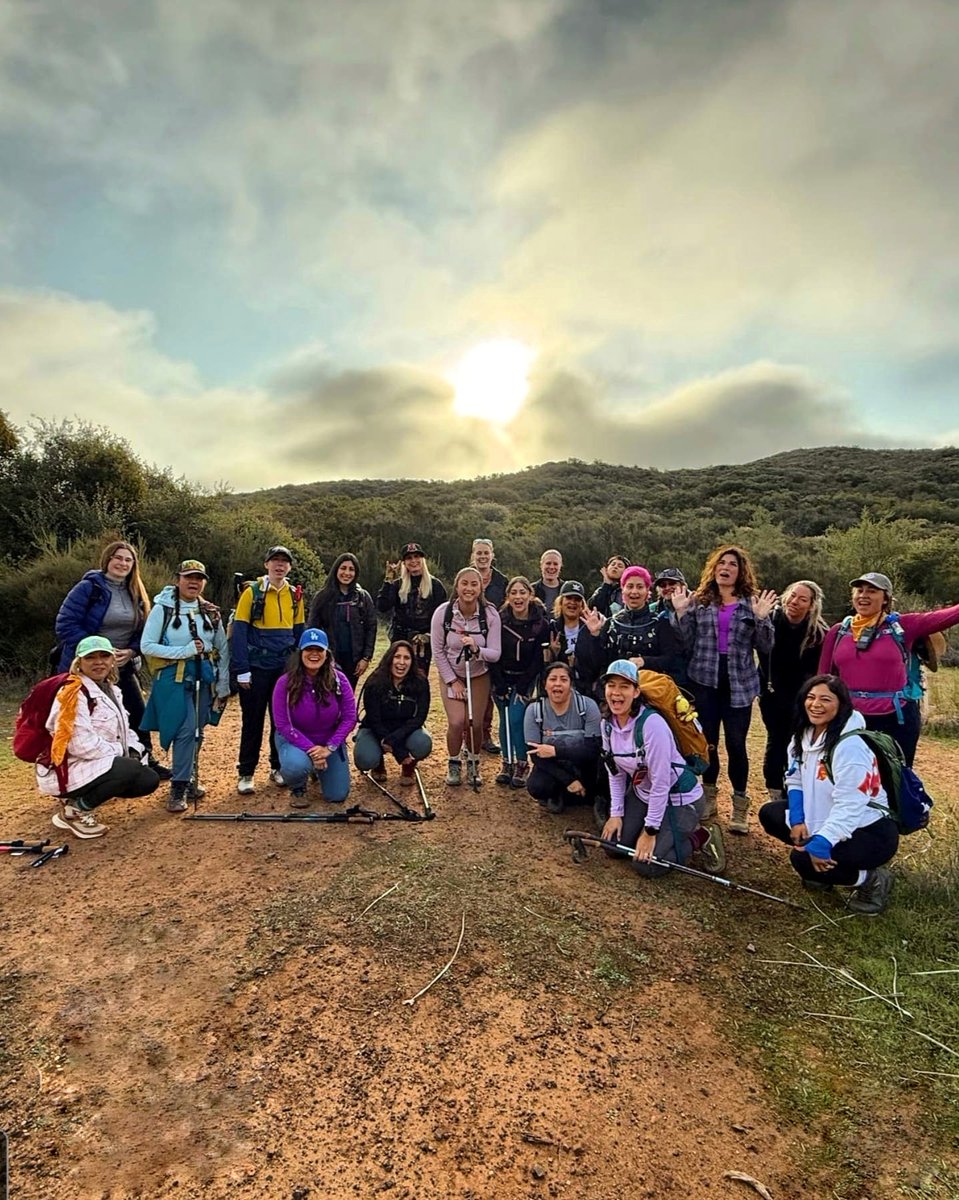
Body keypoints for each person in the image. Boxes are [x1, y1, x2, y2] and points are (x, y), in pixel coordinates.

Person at [758, 674, 899, 914]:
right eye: (810, 697)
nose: (816, 705)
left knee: (801, 859)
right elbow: (795, 778)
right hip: (823, 817)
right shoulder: (802, 736)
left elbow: (850, 806)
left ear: (841, 705)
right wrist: (797, 820)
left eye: (826, 699)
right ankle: (824, 868)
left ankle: (870, 879)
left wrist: (822, 843)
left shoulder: (851, 748)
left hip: (868, 830)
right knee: (770, 814)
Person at [671, 546, 777, 835]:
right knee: (708, 744)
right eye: (721, 563)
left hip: (739, 684)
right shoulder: (699, 601)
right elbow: (685, 643)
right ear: (713, 569)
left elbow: (765, 646)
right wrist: (681, 613)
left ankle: (740, 805)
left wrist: (762, 618)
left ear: (741, 571)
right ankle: (708, 796)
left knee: (736, 744)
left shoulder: (750, 604)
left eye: (732, 564)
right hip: (704, 681)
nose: (726, 568)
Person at [54, 540, 171, 779]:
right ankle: (77, 773)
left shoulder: (136, 591)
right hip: (86, 668)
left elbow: (144, 631)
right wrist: (100, 651)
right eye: (118, 558)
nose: (123, 563)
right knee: (84, 720)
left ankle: (144, 759)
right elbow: (65, 624)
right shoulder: (88, 588)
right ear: (107, 560)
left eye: (128, 560)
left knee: (137, 713)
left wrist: (132, 651)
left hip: (123, 666)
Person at [598, 659, 724, 878]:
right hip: (643, 794)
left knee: (646, 865)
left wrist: (650, 831)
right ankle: (650, 831)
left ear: (636, 692)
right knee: (612, 846)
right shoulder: (607, 724)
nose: (616, 693)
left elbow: (661, 782)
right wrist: (616, 814)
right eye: (611, 685)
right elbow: (615, 772)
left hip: (680, 799)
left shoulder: (652, 724)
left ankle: (701, 836)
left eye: (624, 686)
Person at [818, 571, 959, 767]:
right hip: (850, 717)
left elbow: (948, 616)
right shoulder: (839, 632)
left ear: (885, 599)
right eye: (859, 590)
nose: (863, 595)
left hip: (897, 717)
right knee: (851, 776)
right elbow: (823, 679)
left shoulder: (903, 626)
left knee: (896, 779)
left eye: (872, 591)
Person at [38, 636, 160, 838]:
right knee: (129, 769)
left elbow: (125, 730)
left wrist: (133, 751)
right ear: (79, 663)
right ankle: (74, 811)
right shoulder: (73, 693)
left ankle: (80, 797)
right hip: (67, 769)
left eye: (104, 656)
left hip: (95, 764)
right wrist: (121, 757)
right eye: (90, 658)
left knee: (148, 779)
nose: (99, 662)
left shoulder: (111, 689)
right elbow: (81, 745)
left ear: (113, 660)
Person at [140, 560, 231, 812]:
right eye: (189, 577)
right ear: (177, 579)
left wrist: (223, 684)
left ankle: (188, 777)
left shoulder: (210, 611)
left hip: (204, 678)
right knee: (186, 730)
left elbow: (222, 648)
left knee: (198, 730)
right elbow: (146, 645)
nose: (194, 582)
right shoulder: (163, 609)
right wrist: (186, 651)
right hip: (174, 679)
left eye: (199, 578)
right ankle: (178, 786)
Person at [232, 546, 306, 795]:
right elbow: (240, 632)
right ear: (266, 565)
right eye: (275, 561)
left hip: (283, 669)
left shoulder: (295, 595)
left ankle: (278, 767)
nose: (279, 566)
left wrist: (300, 667)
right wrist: (241, 669)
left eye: (284, 562)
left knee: (281, 721)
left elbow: (298, 634)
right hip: (256, 667)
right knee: (252, 721)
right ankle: (246, 772)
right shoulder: (251, 592)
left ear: (290, 568)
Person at [430, 566, 502, 787]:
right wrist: (452, 681)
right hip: (451, 673)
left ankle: (473, 761)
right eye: (465, 583)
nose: (469, 588)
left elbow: (495, 653)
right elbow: (438, 650)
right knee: (457, 721)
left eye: (474, 584)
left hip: (478, 674)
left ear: (481, 588)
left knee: (475, 723)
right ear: (457, 586)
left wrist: (477, 650)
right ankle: (453, 763)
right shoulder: (443, 613)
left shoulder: (490, 615)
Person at [759, 580, 828, 802]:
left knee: (799, 743)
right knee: (777, 740)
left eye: (802, 599)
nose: (795, 602)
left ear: (811, 605)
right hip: (771, 694)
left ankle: (797, 790)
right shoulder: (769, 621)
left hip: (803, 699)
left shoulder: (818, 634)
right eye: (792, 595)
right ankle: (775, 791)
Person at [272, 628, 357, 807]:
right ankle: (298, 787)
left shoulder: (339, 680)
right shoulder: (284, 682)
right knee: (296, 766)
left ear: (327, 654)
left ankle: (317, 769)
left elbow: (350, 717)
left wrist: (330, 747)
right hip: (295, 740)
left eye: (319, 650)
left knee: (337, 795)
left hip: (328, 742)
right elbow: (282, 724)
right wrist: (313, 751)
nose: (314, 654)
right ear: (300, 652)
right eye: (309, 649)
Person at [577, 565, 686, 696]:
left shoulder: (660, 624)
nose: (634, 592)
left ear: (647, 591)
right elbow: (598, 663)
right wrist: (595, 635)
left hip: (650, 692)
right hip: (615, 694)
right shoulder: (611, 623)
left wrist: (645, 661)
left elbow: (670, 659)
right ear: (623, 590)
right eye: (630, 586)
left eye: (640, 587)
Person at [490, 577, 550, 788]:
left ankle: (522, 763)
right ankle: (507, 762)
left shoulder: (540, 623)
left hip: (525, 679)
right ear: (508, 597)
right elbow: (493, 653)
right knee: (504, 719)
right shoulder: (499, 620)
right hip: (501, 678)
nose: (518, 597)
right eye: (513, 593)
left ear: (530, 595)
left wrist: (525, 684)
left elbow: (537, 659)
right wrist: (499, 682)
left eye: (522, 592)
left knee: (517, 719)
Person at [525, 660, 602, 813]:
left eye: (564, 679)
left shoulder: (588, 707)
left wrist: (556, 751)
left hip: (585, 765)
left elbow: (593, 750)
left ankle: (599, 800)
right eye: (553, 679)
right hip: (555, 767)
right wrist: (569, 780)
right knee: (537, 786)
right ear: (545, 685)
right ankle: (558, 793)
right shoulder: (534, 711)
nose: (558, 684)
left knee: (602, 777)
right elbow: (535, 755)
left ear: (571, 684)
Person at [354, 640, 432, 785]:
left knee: (423, 743)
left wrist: (394, 740)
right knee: (365, 759)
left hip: (406, 729)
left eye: (406, 658)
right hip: (375, 730)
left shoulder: (420, 681)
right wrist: (398, 751)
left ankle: (409, 766)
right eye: (397, 657)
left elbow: (420, 717)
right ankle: (378, 763)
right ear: (389, 659)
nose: (401, 662)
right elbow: (373, 719)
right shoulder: (374, 682)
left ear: (412, 661)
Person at [308, 552, 377, 693]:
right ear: (336, 570)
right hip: (328, 658)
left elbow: (371, 627)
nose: (347, 573)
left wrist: (366, 657)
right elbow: (312, 628)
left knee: (348, 694)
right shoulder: (322, 597)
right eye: (343, 568)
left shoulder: (363, 597)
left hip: (354, 659)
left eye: (351, 569)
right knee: (328, 695)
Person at [375, 543, 447, 670]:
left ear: (423, 560)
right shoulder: (398, 585)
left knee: (419, 679)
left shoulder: (435, 586)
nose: (413, 561)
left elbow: (442, 616)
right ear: (404, 562)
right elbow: (382, 606)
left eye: (417, 556)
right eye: (409, 558)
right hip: (400, 640)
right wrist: (388, 581)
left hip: (422, 643)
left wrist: (429, 635)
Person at [469, 537, 508, 752]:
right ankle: (469, 735)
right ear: (472, 555)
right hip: (468, 640)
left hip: (493, 642)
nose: (482, 556)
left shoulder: (502, 581)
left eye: (486, 552)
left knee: (489, 690)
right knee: (469, 690)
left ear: (492, 555)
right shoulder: (465, 577)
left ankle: (485, 735)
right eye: (479, 553)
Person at [547, 580, 592, 694]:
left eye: (577, 599)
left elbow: (596, 661)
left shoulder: (589, 628)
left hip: (586, 687)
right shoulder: (552, 628)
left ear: (582, 604)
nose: (572, 603)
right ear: (561, 602)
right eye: (569, 598)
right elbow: (545, 666)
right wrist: (554, 653)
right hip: (559, 688)